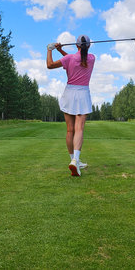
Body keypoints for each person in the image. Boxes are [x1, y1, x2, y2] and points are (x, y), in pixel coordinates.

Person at [47, 35, 95, 176]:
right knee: (79, 129)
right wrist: (61, 51)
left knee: (70, 130)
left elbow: (50, 65)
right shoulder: (92, 58)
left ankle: (73, 160)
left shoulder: (69, 59)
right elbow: (77, 59)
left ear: (76, 46)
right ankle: (76, 160)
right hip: (82, 93)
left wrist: (50, 50)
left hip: (69, 93)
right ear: (89, 46)